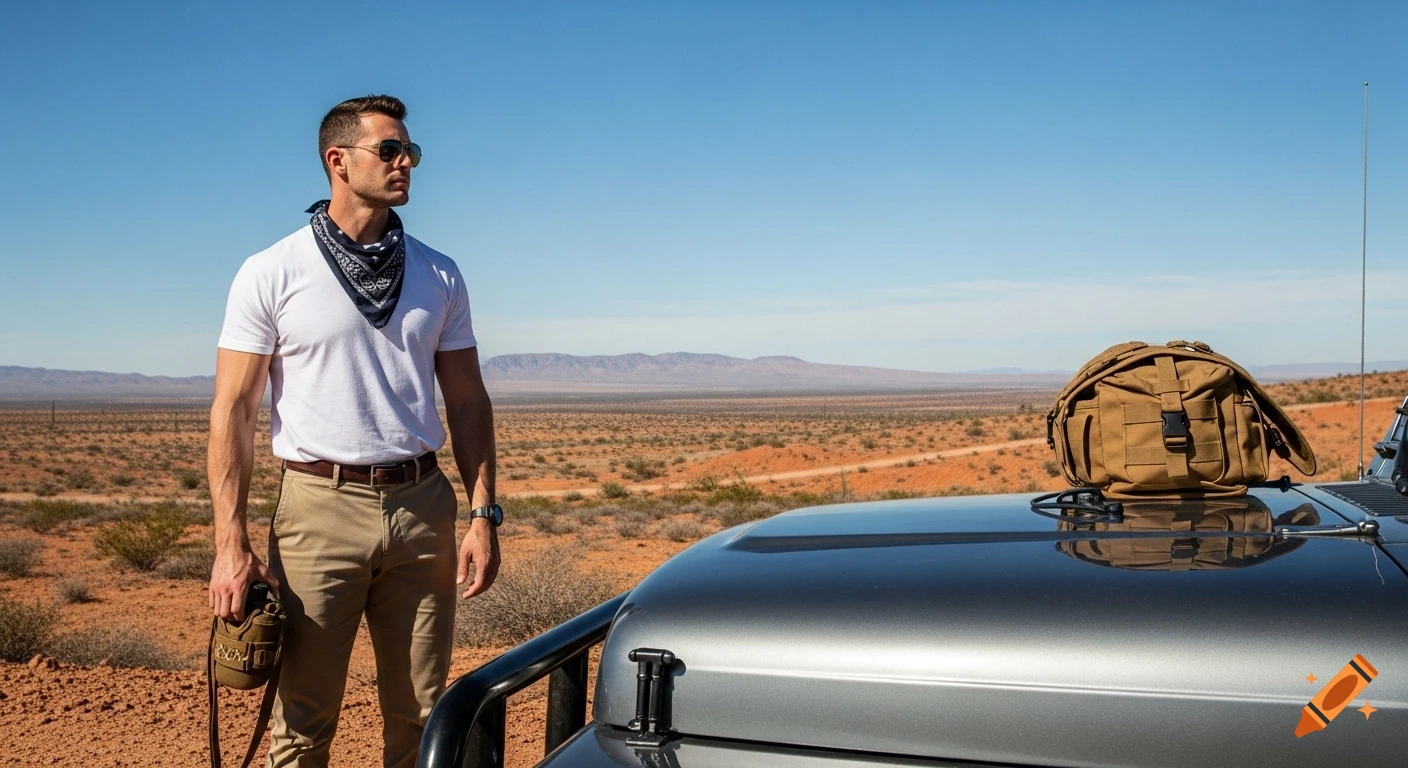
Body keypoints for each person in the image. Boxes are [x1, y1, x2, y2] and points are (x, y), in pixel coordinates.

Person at [207, 94, 502, 768]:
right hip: (318, 509)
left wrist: (484, 512)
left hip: (423, 505)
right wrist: (231, 543)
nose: (407, 164)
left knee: (423, 716)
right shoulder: (272, 271)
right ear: (337, 162)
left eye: (411, 153)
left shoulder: (439, 272)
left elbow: (467, 398)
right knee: (303, 723)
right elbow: (233, 410)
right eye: (390, 151)